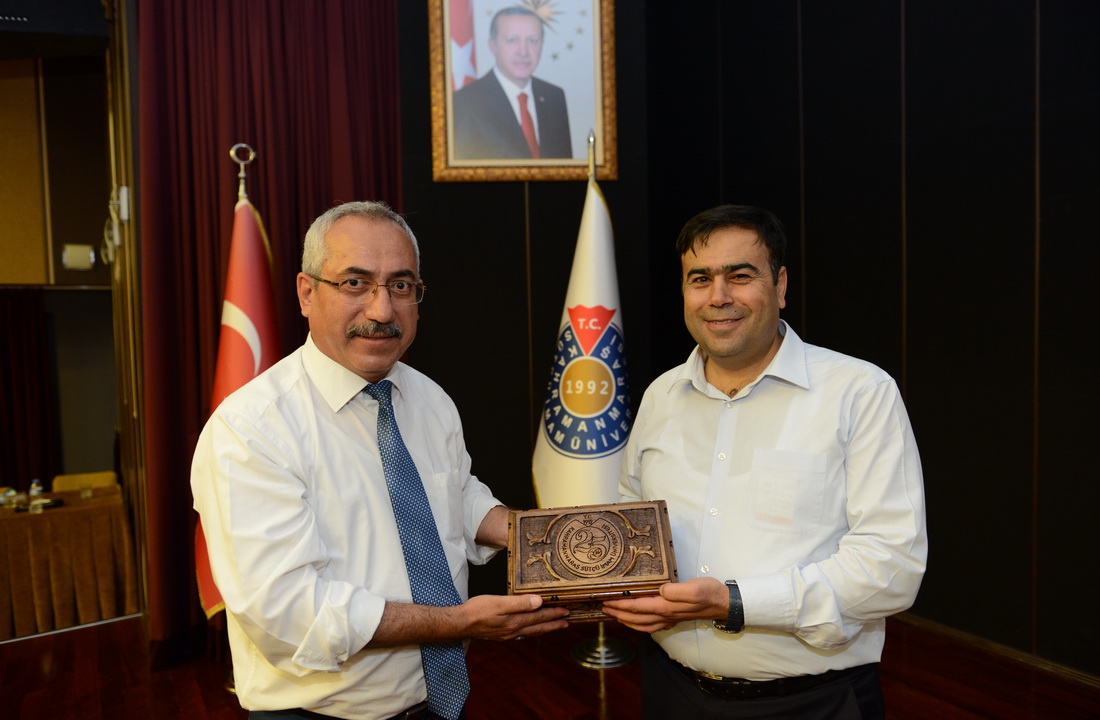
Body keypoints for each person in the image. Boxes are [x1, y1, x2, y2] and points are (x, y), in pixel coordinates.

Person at [191, 201, 569, 720]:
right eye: (355, 283)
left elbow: (455, 494)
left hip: (438, 701)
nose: (382, 311)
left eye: (401, 285)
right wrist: (458, 624)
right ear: (306, 293)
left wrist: (546, 538)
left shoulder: (429, 398)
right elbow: (289, 609)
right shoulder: (251, 429)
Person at [601, 205, 927, 719]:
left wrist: (733, 603)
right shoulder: (661, 395)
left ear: (780, 285)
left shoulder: (860, 392)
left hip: (811, 703)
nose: (718, 296)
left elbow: (892, 566)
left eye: (740, 276)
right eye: (700, 279)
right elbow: (633, 516)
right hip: (668, 689)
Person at [452, 6, 572, 160]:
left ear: (541, 45)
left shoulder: (554, 97)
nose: (523, 51)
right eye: (512, 40)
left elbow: (563, 166)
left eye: (532, 41)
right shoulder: (465, 102)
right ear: (492, 45)